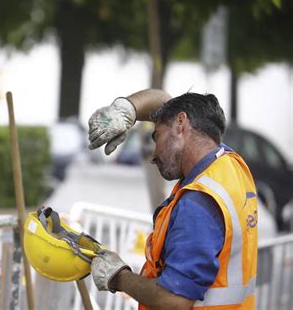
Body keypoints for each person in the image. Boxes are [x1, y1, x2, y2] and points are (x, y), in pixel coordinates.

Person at [87, 89, 258, 309]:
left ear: (181, 123)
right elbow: (165, 101)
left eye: (156, 136)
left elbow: (173, 301)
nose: (153, 156)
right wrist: (125, 110)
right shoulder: (228, 165)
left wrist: (117, 277)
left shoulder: (198, 202)